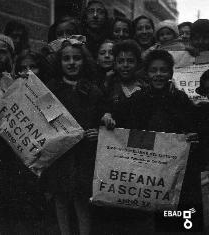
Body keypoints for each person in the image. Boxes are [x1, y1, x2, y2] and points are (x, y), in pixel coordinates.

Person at [103, 50, 203, 233]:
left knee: (176, 218)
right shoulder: (138, 98)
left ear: (170, 73)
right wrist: (109, 116)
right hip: (147, 169)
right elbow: (117, 114)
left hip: (175, 168)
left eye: (163, 70)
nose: (158, 74)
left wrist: (193, 136)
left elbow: (194, 127)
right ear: (147, 74)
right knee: (148, 220)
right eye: (153, 70)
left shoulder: (180, 99)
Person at [45, 38, 103, 235]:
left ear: (84, 61)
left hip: (84, 154)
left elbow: (100, 117)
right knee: (60, 197)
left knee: (82, 199)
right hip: (59, 154)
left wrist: (97, 132)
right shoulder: (51, 89)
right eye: (66, 59)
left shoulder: (93, 90)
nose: (71, 63)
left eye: (76, 58)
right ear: (59, 62)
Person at [101, 40, 144, 129]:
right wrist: (106, 116)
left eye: (130, 61)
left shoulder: (145, 87)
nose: (125, 65)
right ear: (115, 64)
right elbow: (104, 109)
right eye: (120, 61)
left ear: (138, 64)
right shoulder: (109, 86)